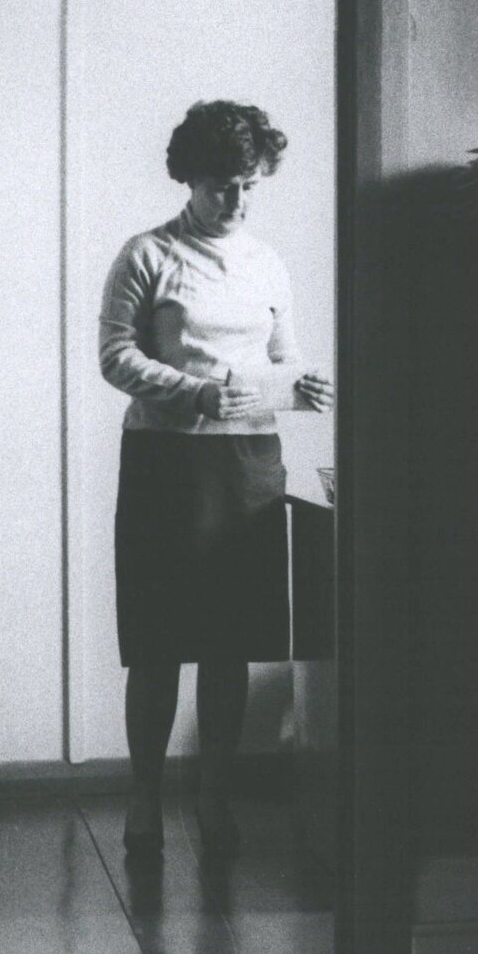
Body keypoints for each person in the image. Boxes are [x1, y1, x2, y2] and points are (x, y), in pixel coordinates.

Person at [99, 100, 333, 858]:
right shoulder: (147, 254)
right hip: (170, 464)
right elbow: (115, 357)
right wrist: (192, 391)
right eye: (222, 186)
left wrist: (306, 386)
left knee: (231, 641)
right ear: (190, 180)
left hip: (249, 465)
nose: (236, 201)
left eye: (249, 186)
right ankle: (143, 797)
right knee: (161, 641)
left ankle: (214, 794)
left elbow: (281, 355)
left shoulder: (266, 261)